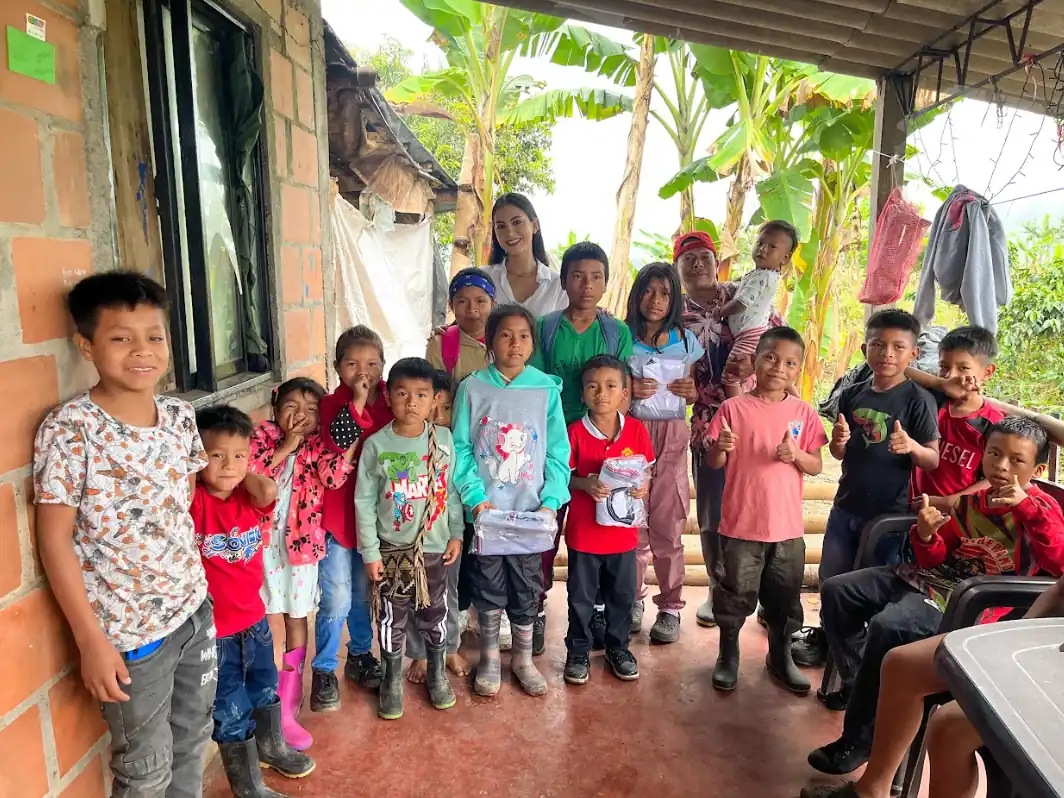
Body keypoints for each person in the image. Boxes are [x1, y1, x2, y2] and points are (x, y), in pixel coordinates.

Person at [33, 272, 217, 796]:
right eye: (121, 338)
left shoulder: (180, 417)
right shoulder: (71, 430)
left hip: (192, 613)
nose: (142, 351)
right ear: (86, 346)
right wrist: (90, 641)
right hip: (132, 639)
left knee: (192, 739)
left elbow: (178, 506)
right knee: (145, 768)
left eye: (154, 336)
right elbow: (54, 542)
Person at [806, 416, 1064, 778]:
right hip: (930, 578)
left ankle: (860, 738)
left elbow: (1058, 560)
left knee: (889, 626)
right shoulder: (973, 501)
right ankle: (861, 682)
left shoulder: (1043, 509)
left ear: (1036, 468)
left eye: (1016, 460)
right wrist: (927, 536)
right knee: (838, 591)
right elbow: (939, 558)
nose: (1002, 467)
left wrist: (1025, 507)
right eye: (994, 454)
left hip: (969, 601)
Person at [800, 572, 1064, 798]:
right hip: (1043, 643)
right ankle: (872, 788)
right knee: (901, 664)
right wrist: (1013, 637)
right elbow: (1058, 591)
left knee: (950, 726)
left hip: (1051, 675)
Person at [792, 309, 941, 667]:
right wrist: (839, 442)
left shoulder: (919, 400)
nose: (887, 353)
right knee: (833, 576)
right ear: (864, 349)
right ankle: (828, 639)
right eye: (878, 345)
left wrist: (912, 448)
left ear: (912, 354)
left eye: (897, 347)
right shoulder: (854, 393)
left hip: (891, 514)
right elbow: (840, 451)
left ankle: (863, 660)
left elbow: (932, 459)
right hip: (847, 504)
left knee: (870, 585)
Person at [192, 405, 316, 795]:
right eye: (216, 455)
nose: (229, 465)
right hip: (216, 634)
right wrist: (202, 469)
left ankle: (272, 745)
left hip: (254, 620)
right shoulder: (194, 503)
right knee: (229, 707)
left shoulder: (248, 497)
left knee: (266, 685)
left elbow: (268, 490)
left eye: (239, 455)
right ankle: (249, 787)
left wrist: (242, 471)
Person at [452, 304, 571, 698]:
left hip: (530, 515)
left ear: (533, 343)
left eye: (523, 335)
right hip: (487, 515)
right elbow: (461, 447)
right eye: (505, 334)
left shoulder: (544, 389)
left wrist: (550, 501)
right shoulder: (472, 387)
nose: (514, 343)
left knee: (527, 584)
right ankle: (488, 657)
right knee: (487, 583)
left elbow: (557, 451)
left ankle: (522, 660)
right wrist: (475, 498)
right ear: (489, 340)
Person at [705, 327, 827, 693]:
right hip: (742, 525)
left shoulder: (803, 413)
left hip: (787, 528)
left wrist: (797, 455)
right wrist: (721, 447)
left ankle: (780, 655)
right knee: (734, 593)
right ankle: (728, 655)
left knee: (785, 597)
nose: (778, 367)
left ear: (798, 370)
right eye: (771, 357)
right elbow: (714, 461)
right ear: (756, 360)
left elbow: (817, 464)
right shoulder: (733, 408)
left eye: (790, 362)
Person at [676, 230, 782, 628]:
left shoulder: (746, 293)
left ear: (716, 259)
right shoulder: (675, 312)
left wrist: (757, 362)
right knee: (712, 511)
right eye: (688, 258)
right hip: (707, 419)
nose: (697, 263)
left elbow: (782, 343)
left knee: (765, 504)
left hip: (758, 416)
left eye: (704, 256)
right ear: (678, 267)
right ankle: (719, 590)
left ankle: (769, 594)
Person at [531, 241, 634, 650]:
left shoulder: (616, 332)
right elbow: (536, 386)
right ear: (563, 280)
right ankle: (534, 609)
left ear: (606, 283)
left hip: (598, 440)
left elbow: (621, 386)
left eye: (596, 277)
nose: (586, 285)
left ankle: (598, 611)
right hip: (554, 440)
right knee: (546, 525)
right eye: (577, 275)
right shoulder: (546, 327)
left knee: (600, 526)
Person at [250, 377, 358, 750]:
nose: (301, 416)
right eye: (292, 407)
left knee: (296, 616)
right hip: (260, 546)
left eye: (312, 410)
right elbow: (251, 472)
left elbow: (334, 476)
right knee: (263, 618)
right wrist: (286, 446)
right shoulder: (262, 437)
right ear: (276, 408)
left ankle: (288, 700)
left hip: (300, 549)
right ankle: (263, 692)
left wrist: (349, 438)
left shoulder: (317, 446)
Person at [354, 357, 465, 719]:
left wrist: (456, 533)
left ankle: (436, 671)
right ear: (388, 396)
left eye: (421, 394)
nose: (411, 402)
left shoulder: (442, 439)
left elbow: (449, 492)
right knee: (391, 617)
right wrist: (370, 553)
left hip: (434, 549)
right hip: (391, 552)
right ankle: (391, 679)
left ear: (434, 399)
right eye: (402, 393)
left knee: (435, 612)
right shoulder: (376, 446)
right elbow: (365, 502)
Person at [311, 326, 393, 711]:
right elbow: (337, 442)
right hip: (340, 520)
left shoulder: (394, 400)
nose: (364, 372)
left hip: (377, 522)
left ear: (384, 365)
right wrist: (358, 402)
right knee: (337, 597)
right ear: (337, 368)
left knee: (363, 595)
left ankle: (360, 656)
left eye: (373, 364)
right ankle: (325, 667)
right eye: (353, 364)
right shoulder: (331, 405)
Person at [564, 355, 655, 684]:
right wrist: (584, 483)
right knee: (580, 596)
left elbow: (646, 470)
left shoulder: (636, 430)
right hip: (585, 535)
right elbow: (563, 478)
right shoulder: (575, 432)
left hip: (623, 537)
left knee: (621, 596)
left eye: (610, 386)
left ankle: (618, 647)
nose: (601, 393)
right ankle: (577, 649)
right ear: (583, 393)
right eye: (593, 386)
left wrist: (644, 485)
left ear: (625, 393)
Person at [626, 262, 702, 643]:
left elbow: (694, 387)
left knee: (668, 525)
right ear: (637, 294)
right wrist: (628, 390)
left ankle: (670, 607)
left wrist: (692, 394)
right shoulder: (622, 338)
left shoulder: (687, 341)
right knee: (633, 522)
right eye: (649, 291)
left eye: (665, 293)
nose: (656, 301)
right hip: (631, 435)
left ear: (675, 299)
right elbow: (607, 382)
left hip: (672, 434)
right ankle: (633, 601)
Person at [904, 325, 1006, 510]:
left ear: (987, 372)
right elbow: (897, 369)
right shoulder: (930, 402)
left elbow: (995, 477)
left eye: (964, 368)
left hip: (958, 516)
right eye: (944, 367)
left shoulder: (992, 423)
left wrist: (950, 502)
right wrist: (939, 383)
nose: (952, 376)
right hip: (911, 508)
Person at [717, 221, 797, 397]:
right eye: (760, 243)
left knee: (730, 376)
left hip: (750, 335)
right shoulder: (761, 275)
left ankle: (738, 410)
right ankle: (795, 400)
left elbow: (741, 303)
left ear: (785, 258)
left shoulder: (763, 277)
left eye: (772, 246)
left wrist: (721, 311)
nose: (763, 249)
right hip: (752, 334)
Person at [486, 192, 568, 317]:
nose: (510, 233)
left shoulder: (557, 285)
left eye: (517, 222)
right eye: (501, 226)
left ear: (535, 225)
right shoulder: (485, 279)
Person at [427, 267, 495, 382]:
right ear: (451, 305)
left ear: (493, 305)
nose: (472, 309)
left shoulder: (508, 340)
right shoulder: (440, 344)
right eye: (462, 301)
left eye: (480, 301)